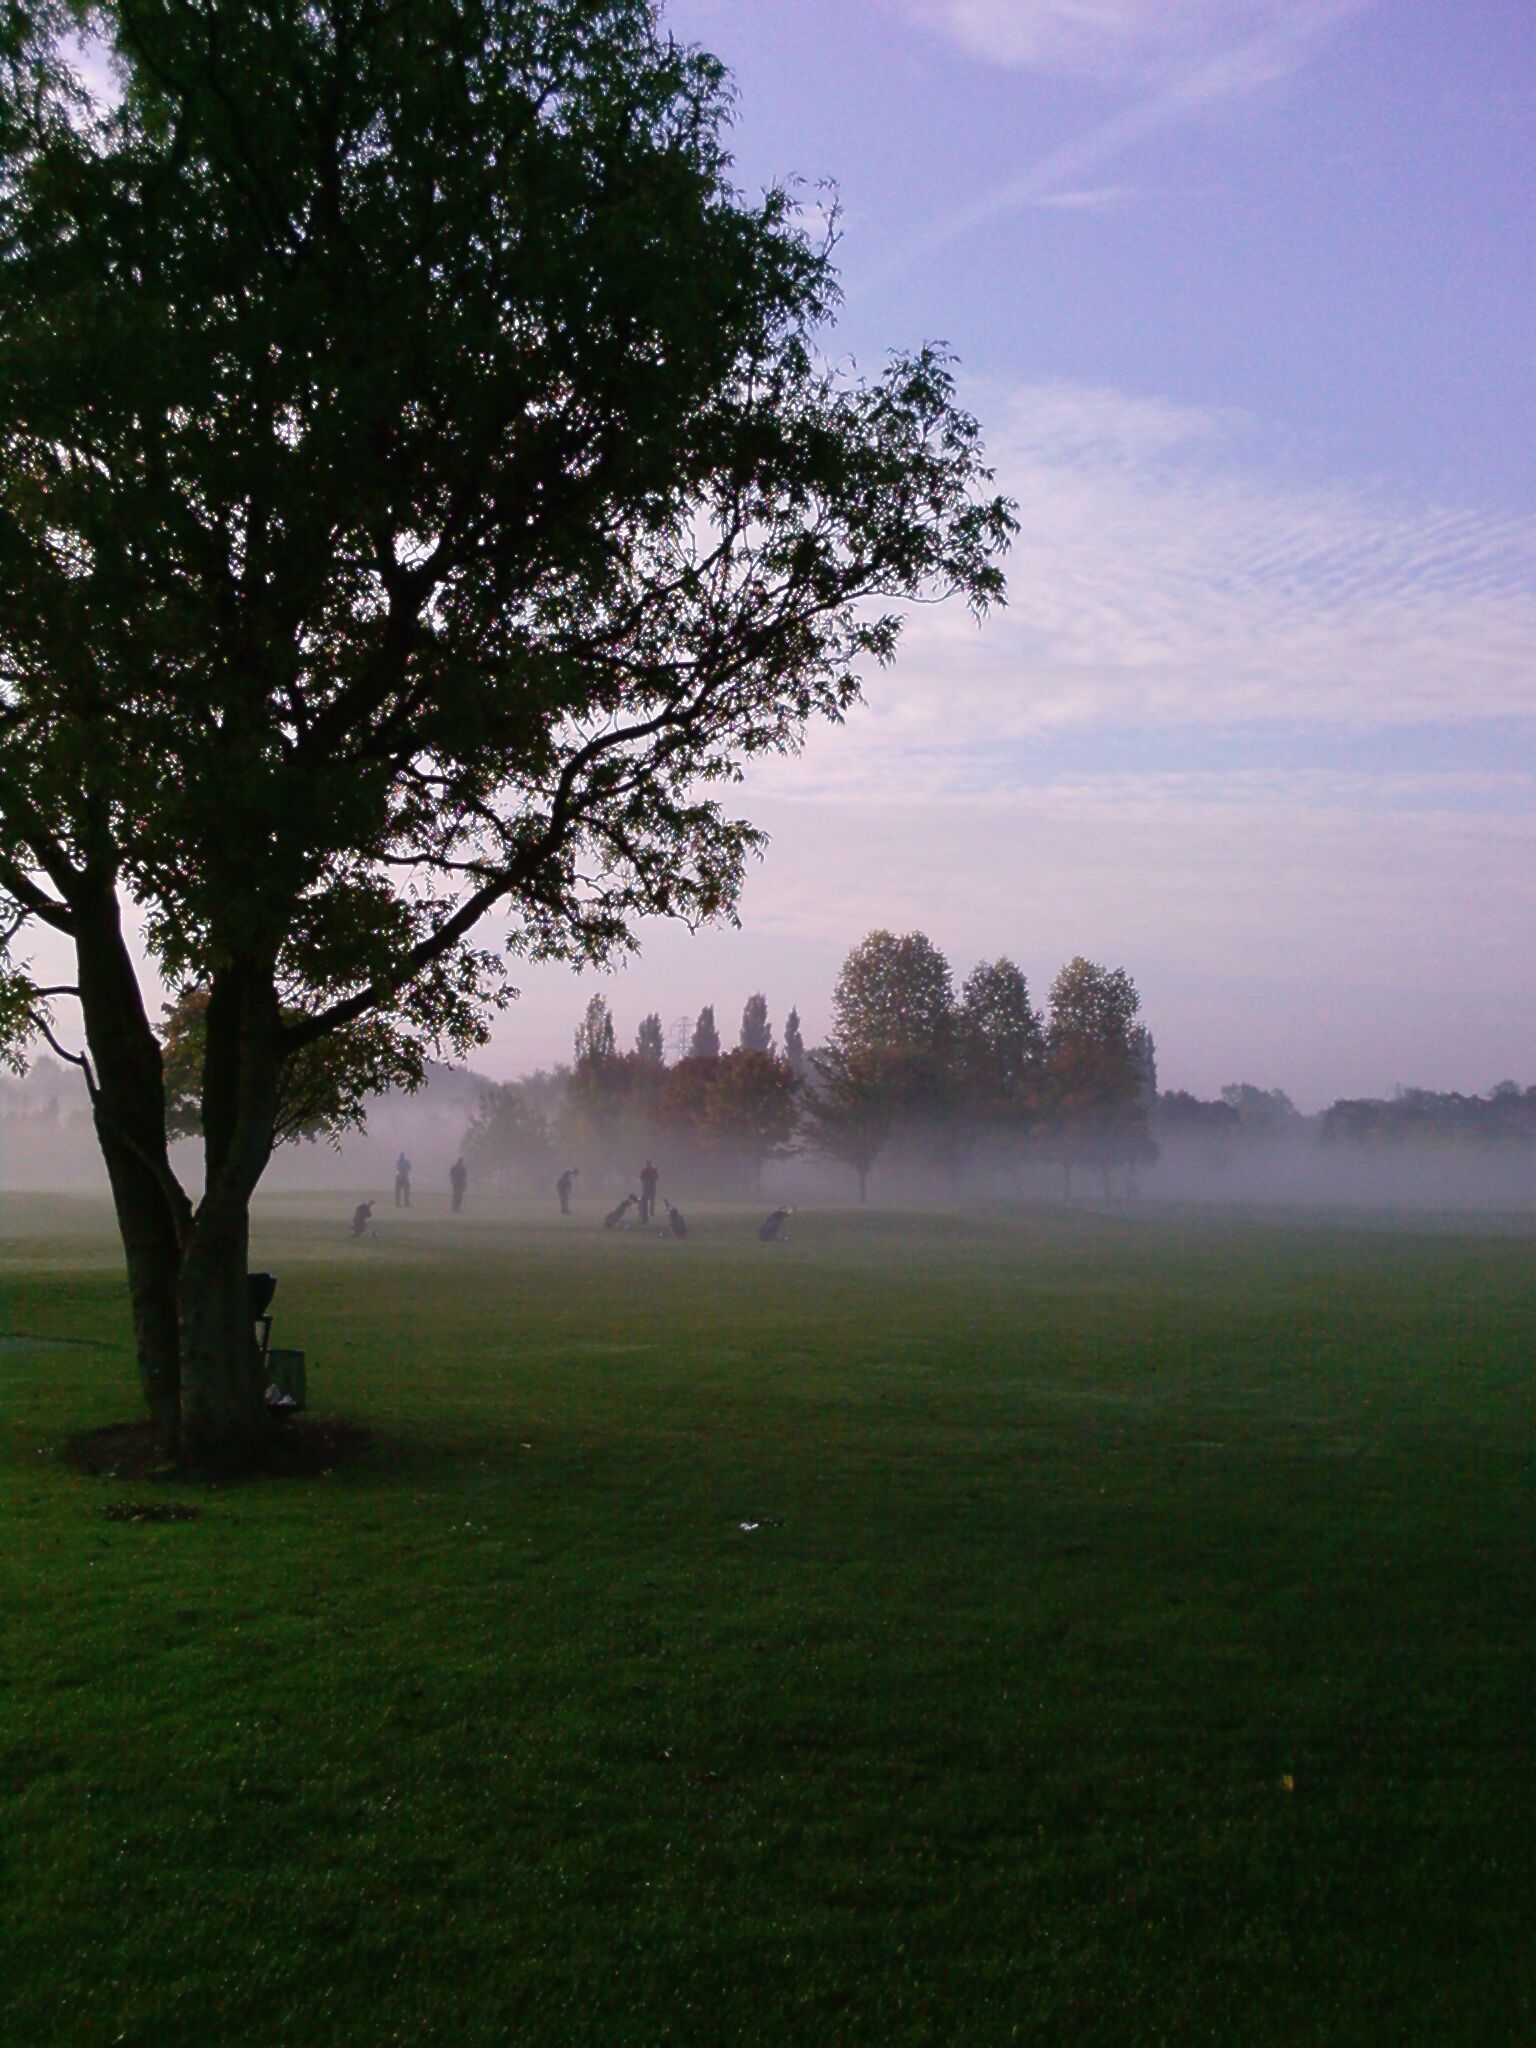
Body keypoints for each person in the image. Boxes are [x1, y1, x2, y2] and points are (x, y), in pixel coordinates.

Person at [638, 1159, 660, 1225]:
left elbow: (656, 1178)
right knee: (646, 1201)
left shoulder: (653, 1170)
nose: (648, 1165)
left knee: (652, 1200)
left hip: (651, 1187)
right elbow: (641, 1178)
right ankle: (646, 1213)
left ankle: (651, 1213)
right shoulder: (644, 1170)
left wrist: (654, 1175)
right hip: (646, 1187)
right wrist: (646, 1180)